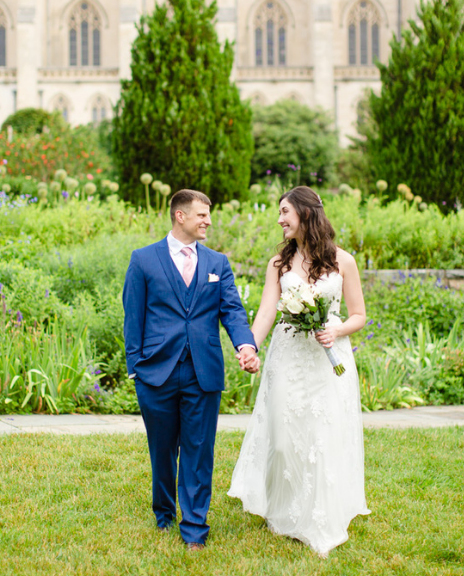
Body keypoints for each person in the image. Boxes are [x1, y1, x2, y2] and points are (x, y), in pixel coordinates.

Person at [228, 185, 370, 555]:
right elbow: (265, 312)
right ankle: (285, 509)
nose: (279, 220)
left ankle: (320, 514)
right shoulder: (279, 264)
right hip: (288, 357)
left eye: (285, 212)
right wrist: (250, 346)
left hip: (328, 359)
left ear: (306, 214)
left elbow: (359, 315)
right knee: (283, 436)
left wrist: (336, 329)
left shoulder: (344, 261)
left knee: (322, 436)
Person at [122, 188, 259, 548]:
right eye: (202, 215)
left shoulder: (218, 263)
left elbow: (232, 311)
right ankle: (164, 512)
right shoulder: (143, 260)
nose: (208, 221)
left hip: (203, 372)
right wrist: (135, 367)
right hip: (156, 373)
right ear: (180, 216)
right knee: (162, 449)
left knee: (199, 450)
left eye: (209, 214)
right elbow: (132, 317)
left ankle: (195, 527)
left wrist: (245, 344)